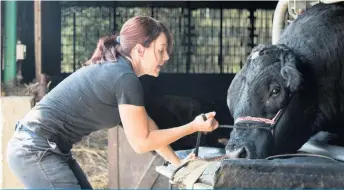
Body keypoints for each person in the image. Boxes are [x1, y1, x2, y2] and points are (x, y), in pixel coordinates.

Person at [6, 16, 219, 189]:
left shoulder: (119, 71)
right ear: (139, 50)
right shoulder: (124, 78)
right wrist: (193, 126)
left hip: (45, 149)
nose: (166, 58)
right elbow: (142, 142)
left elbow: (148, 128)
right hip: (36, 150)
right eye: (160, 50)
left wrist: (178, 163)